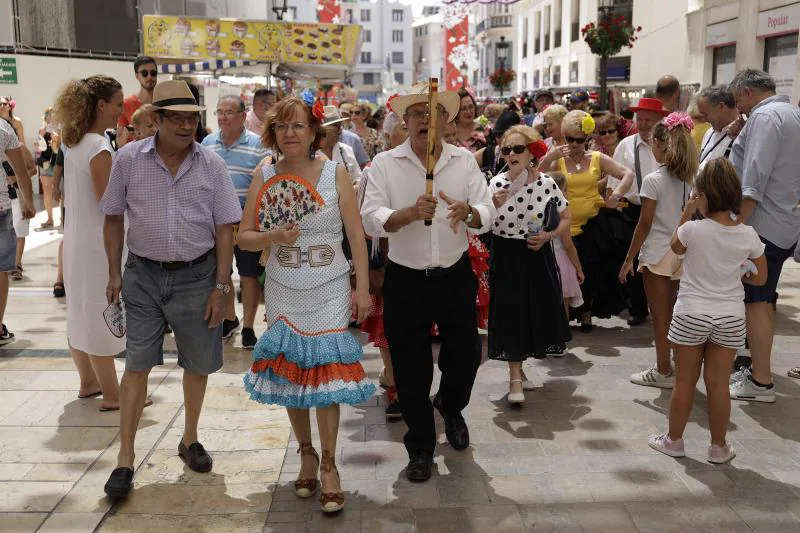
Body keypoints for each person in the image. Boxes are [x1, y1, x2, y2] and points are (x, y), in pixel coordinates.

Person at [100, 80, 242, 501]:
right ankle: (125, 457)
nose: (186, 125)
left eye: (192, 117)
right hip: (142, 276)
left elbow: (224, 228)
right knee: (138, 363)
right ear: (156, 119)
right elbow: (111, 216)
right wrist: (113, 272)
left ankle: (190, 439)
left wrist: (222, 284)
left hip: (198, 277)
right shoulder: (127, 161)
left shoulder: (211, 164)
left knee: (197, 363)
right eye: (176, 117)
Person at [238, 96, 375, 514]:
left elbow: (356, 237)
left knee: (325, 376)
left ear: (314, 131)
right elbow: (244, 235)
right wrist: (272, 238)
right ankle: (306, 454)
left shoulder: (336, 175)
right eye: (282, 127)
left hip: (330, 284)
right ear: (272, 134)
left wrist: (364, 289)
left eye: (297, 126)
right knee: (292, 373)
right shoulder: (264, 173)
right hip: (282, 284)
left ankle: (330, 464)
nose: (290, 134)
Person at [361, 82, 496, 483]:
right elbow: (371, 217)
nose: (424, 121)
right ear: (405, 122)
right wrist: (406, 213)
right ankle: (420, 445)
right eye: (416, 114)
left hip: (453, 274)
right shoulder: (386, 164)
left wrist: (469, 212)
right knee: (409, 365)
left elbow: (487, 211)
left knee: (466, 354)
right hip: (405, 277)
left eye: (432, 113)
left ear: (445, 120)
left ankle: (451, 406)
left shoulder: (464, 162)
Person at [648, 158, 767, 463]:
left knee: (685, 381)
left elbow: (675, 248)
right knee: (718, 384)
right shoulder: (749, 236)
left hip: (691, 313)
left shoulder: (692, 230)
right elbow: (761, 278)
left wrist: (687, 212)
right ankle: (718, 447)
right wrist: (743, 273)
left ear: (702, 195)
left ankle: (674, 440)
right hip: (729, 317)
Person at [53, 75, 131, 411]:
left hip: (76, 240)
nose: (121, 110)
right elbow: (108, 203)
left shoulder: (73, 143)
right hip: (98, 244)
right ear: (101, 105)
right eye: (117, 103)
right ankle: (113, 394)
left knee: (79, 310)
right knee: (102, 309)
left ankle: (88, 381)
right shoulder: (98, 147)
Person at [727, 69, 800, 403]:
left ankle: (760, 381)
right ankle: (759, 373)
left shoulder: (766, 116)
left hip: (764, 227)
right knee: (763, 302)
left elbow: (755, 176)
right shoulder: (792, 113)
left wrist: (735, 227)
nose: (738, 109)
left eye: (738, 102)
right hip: (782, 224)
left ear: (746, 93)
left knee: (757, 304)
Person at [487, 125, 572, 405]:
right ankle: (514, 377)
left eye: (517, 148)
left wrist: (549, 235)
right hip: (506, 253)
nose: (511, 154)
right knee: (510, 312)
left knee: (533, 312)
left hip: (537, 254)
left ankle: (520, 370)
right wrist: (493, 206)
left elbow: (566, 217)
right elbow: (481, 224)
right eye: (506, 149)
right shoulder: (496, 184)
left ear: (532, 151)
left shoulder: (547, 183)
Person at [620, 112, 697, 389]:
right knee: (679, 314)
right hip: (684, 251)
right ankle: (676, 366)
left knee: (660, 317)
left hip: (657, 254)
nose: (650, 146)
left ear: (662, 145)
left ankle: (664, 370)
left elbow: (645, 223)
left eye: (654, 141)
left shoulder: (654, 179)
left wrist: (629, 258)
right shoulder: (691, 178)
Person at [539, 110, 635, 332]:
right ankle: (565, 315)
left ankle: (586, 313)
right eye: (569, 139)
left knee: (591, 270)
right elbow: (536, 179)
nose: (573, 144)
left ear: (588, 139)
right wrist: (548, 159)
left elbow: (627, 174)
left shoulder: (596, 158)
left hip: (591, 223)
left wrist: (616, 196)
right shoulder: (558, 159)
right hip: (564, 224)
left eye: (579, 140)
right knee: (566, 271)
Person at [201, 95, 271, 349]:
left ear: (243, 116)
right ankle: (230, 318)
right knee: (222, 272)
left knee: (249, 274)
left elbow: (268, 178)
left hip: (247, 220)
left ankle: (250, 326)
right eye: (219, 112)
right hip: (216, 222)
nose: (223, 117)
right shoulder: (207, 144)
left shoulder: (259, 145)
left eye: (229, 112)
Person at [357, 114, 408, 419]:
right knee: (387, 325)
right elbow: (362, 221)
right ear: (388, 137)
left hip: (418, 261)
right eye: (403, 127)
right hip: (386, 258)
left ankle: (399, 378)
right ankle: (395, 383)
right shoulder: (372, 170)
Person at [610, 97, 671, 327]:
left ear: (660, 121)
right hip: (632, 208)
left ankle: (660, 304)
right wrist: (613, 197)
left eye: (649, 120)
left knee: (660, 256)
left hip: (663, 208)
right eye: (640, 119)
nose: (643, 124)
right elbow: (613, 178)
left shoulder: (669, 145)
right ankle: (638, 308)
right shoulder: (625, 145)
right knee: (633, 257)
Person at [0, 111, 35, 344]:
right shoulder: (3, 128)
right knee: (0, 269)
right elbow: (21, 169)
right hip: (0, 207)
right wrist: (28, 199)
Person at [549, 171, 585, 315]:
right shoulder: (561, 211)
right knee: (562, 305)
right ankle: (562, 333)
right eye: (565, 190)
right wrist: (579, 269)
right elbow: (568, 245)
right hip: (560, 261)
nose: (567, 193)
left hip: (542, 259)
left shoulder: (537, 208)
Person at [116, 55, 158, 148]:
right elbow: (120, 141)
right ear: (137, 76)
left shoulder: (164, 102)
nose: (149, 77)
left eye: (153, 73)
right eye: (144, 73)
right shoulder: (126, 105)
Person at [695, 85, 739, 172]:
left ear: (721, 107)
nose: (704, 119)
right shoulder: (709, 132)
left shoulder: (743, 133)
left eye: (706, 114)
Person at [318, 106, 362, 183]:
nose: (340, 131)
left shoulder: (346, 150)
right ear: (322, 129)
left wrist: (355, 187)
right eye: (336, 126)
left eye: (341, 126)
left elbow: (358, 179)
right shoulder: (309, 152)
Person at [52, 147, 65, 298]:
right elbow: (59, 165)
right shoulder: (68, 139)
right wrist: (55, 187)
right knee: (67, 236)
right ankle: (60, 278)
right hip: (70, 196)